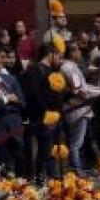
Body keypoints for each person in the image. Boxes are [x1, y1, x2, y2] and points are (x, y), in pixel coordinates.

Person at [21, 43, 64, 180]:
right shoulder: (35, 69)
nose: (59, 58)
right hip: (40, 117)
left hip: (52, 115)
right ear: (50, 54)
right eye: (57, 55)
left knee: (49, 150)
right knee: (42, 151)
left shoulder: (50, 70)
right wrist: (46, 111)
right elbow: (35, 93)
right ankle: (39, 179)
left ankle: (49, 177)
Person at [60, 43, 100, 173]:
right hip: (77, 110)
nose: (80, 53)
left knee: (77, 142)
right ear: (72, 52)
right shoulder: (69, 68)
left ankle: (80, 168)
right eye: (77, 50)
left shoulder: (69, 66)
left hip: (78, 108)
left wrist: (98, 90)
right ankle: (77, 170)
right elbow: (81, 90)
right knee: (76, 143)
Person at [0, 49, 26, 175]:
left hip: (14, 120)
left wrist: (0, 101)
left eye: (0, 63)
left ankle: (23, 182)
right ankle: (2, 188)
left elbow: (21, 101)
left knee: (20, 154)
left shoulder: (10, 79)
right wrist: (7, 98)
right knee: (0, 157)